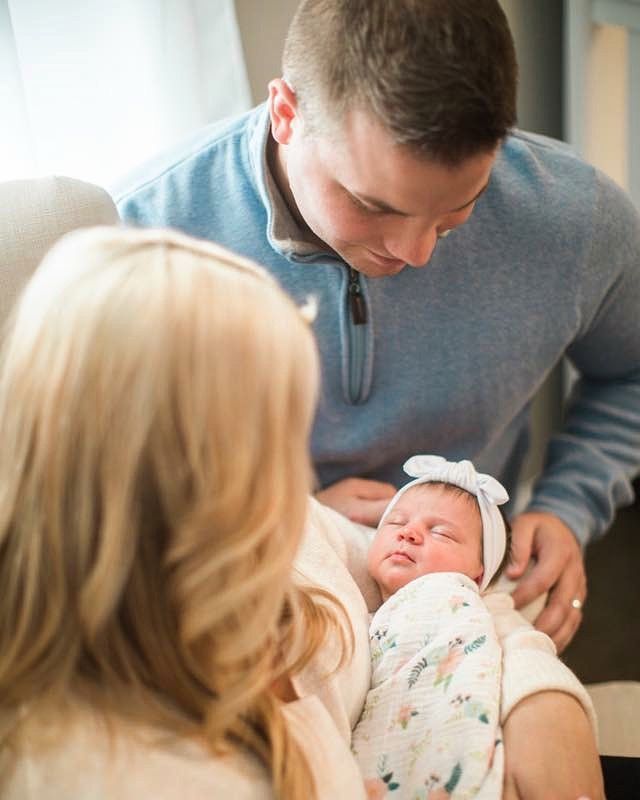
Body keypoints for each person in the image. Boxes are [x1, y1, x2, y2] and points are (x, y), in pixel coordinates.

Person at [0, 226, 603, 799]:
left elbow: (460, 586)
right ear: (177, 480)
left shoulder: (289, 531)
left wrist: (538, 694)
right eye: (274, 441)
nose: (300, 477)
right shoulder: (109, 769)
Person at [115, 0, 640, 654]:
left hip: (472, 597)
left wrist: (568, 504)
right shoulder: (138, 236)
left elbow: (631, 373)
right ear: (286, 114)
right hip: (249, 596)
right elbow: (112, 480)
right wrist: (285, 521)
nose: (415, 253)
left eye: (457, 210)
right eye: (373, 205)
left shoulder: (576, 219)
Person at [353, 455, 511, 798]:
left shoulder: (450, 601)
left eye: (439, 532)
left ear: (476, 575)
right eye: (396, 522)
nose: (409, 533)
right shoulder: (359, 607)